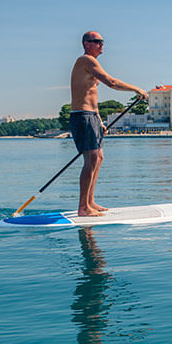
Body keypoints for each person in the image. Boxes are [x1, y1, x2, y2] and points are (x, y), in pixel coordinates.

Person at [69, 31, 147, 216]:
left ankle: (90, 202)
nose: (101, 44)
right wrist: (136, 89)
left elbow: (91, 94)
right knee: (91, 159)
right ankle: (83, 208)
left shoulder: (92, 63)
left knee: (99, 158)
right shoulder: (85, 60)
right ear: (87, 44)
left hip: (92, 116)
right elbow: (111, 82)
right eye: (97, 42)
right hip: (82, 116)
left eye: (102, 41)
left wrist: (99, 120)